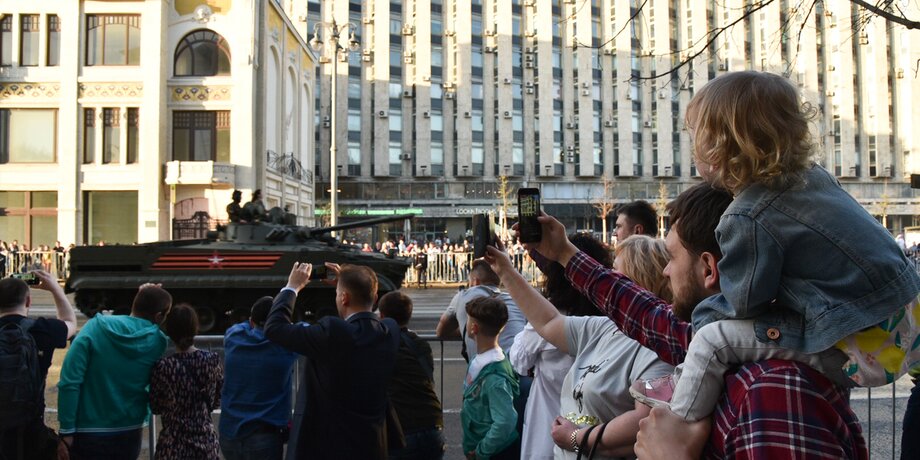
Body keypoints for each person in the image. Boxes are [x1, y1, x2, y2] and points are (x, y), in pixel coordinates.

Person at [630, 71, 920, 426]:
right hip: (904, 319)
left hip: (861, 347)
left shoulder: (747, 215)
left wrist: (700, 320)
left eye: (696, 139)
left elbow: (741, 303)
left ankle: (681, 412)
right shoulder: (814, 177)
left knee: (712, 340)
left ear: (720, 148)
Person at [523, 182, 867, 459]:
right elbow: (644, 314)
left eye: (672, 257)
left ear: (708, 268)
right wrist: (564, 253)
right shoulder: (719, 345)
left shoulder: (775, 388)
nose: (664, 271)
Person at [489, 234, 674, 460]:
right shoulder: (606, 327)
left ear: (637, 281)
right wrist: (505, 270)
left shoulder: (660, 348)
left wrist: (576, 438)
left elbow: (644, 421)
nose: (607, 277)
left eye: (615, 271)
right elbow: (548, 322)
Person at [264, 262, 399, 460]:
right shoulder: (390, 331)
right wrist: (347, 287)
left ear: (343, 298)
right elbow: (363, 321)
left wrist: (292, 287)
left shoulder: (332, 333)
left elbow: (274, 328)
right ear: (376, 298)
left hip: (328, 446)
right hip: (373, 445)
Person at [58, 284, 172, 460]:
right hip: (130, 430)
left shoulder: (95, 328)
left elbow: (70, 382)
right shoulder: (158, 342)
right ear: (159, 316)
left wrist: (67, 430)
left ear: (134, 304)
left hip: (88, 430)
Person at [0, 272, 77, 460]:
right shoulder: (43, 329)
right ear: (28, 301)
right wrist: (55, 289)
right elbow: (70, 322)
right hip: (31, 433)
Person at [219, 296, 301, 460]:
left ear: (251, 321)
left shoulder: (234, 336)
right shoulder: (285, 345)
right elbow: (304, 329)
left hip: (229, 435)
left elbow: (243, 325)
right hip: (265, 437)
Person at [376, 291, 445, 460]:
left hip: (402, 429)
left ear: (382, 316)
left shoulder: (381, 345)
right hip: (432, 425)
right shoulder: (420, 344)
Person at [149, 304, 222, 459]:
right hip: (204, 444)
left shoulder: (163, 367)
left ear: (170, 332)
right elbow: (216, 401)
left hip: (172, 446)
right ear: (195, 329)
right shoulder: (212, 360)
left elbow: (155, 407)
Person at [461, 296, 520, 460]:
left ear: (473, 328)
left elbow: (505, 420)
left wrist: (482, 451)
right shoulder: (480, 360)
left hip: (494, 453)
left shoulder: (494, 377)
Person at [436, 259, 526, 362]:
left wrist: (467, 330)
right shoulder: (515, 301)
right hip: (519, 364)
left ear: (475, 281)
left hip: (488, 367)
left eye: (469, 282)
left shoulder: (464, 296)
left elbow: (441, 331)